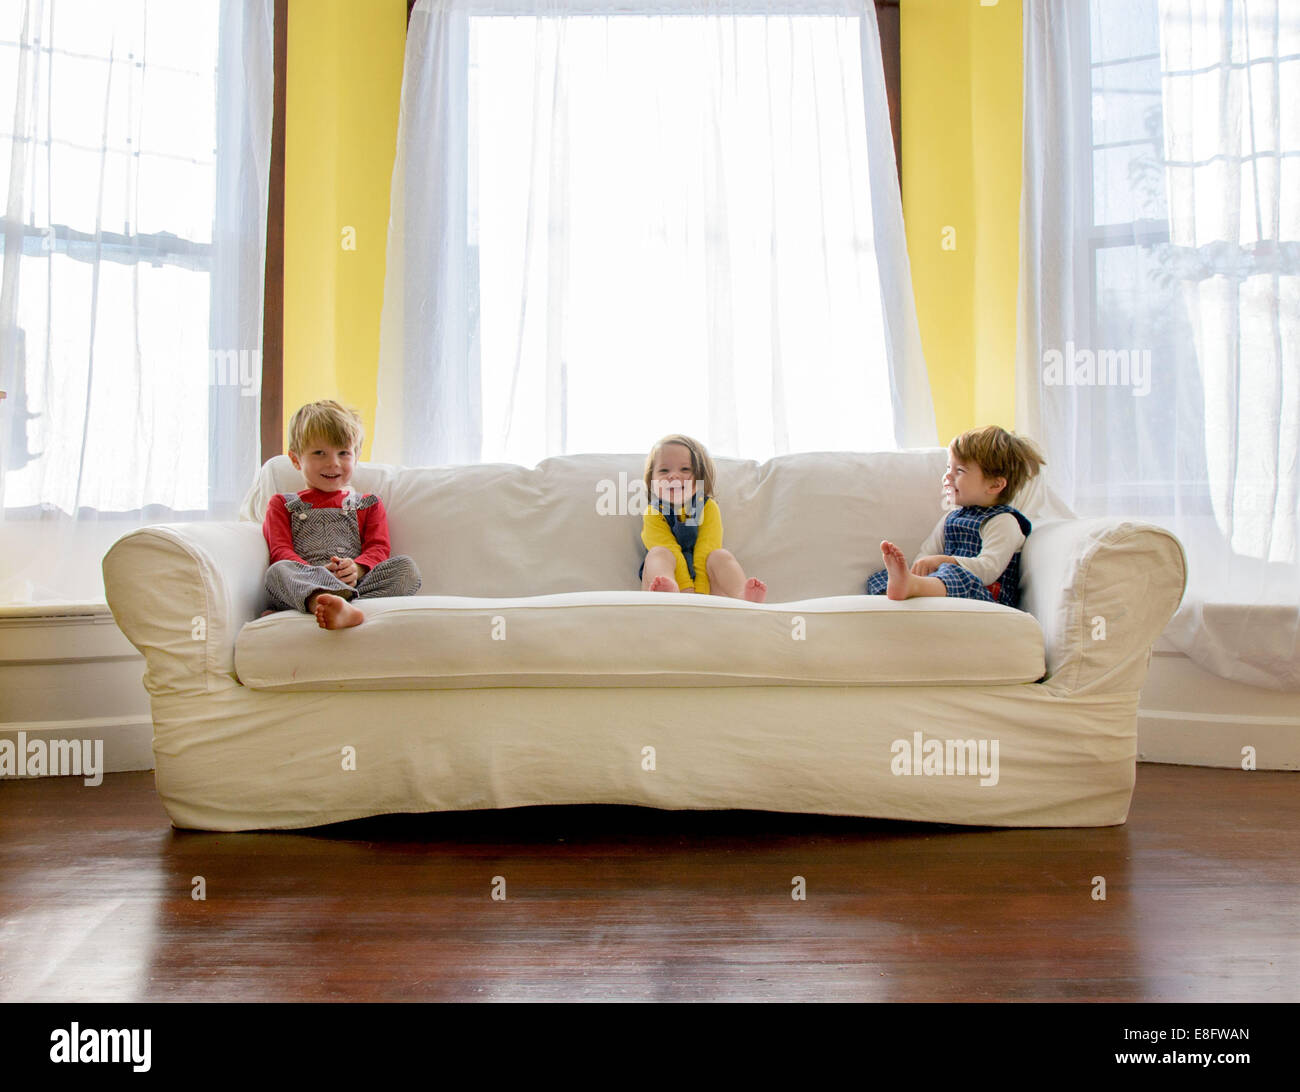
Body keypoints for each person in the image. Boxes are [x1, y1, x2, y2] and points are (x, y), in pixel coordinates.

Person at [262, 400, 421, 629]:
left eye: (343, 453)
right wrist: (317, 574)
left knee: (406, 569)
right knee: (278, 571)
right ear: (296, 459)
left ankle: (340, 604)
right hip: (306, 579)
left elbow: (378, 548)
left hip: (354, 581)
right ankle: (322, 600)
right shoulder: (282, 504)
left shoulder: (368, 504)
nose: (333, 463)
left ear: (356, 457)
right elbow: (280, 551)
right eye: (320, 453)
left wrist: (355, 569)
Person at [866, 426, 1045, 607]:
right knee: (879, 577)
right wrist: (919, 568)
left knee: (954, 574)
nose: (947, 476)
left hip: (984, 597)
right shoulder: (951, 518)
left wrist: (945, 561)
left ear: (995, 485)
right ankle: (906, 589)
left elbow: (988, 569)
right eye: (948, 467)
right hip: (945, 587)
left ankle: (913, 588)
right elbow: (928, 551)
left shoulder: (1003, 522)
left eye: (959, 470)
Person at [639, 433, 767, 602]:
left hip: (706, 587)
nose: (673, 476)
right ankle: (667, 592)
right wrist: (685, 589)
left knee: (719, 555)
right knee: (659, 553)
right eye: (664, 470)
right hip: (670, 585)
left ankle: (741, 596)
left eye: (685, 469)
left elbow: (707, 547)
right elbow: (666, 545)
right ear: (652, 481)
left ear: (701, 477)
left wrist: (698, 593)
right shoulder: (654, 512)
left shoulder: (707, 507)